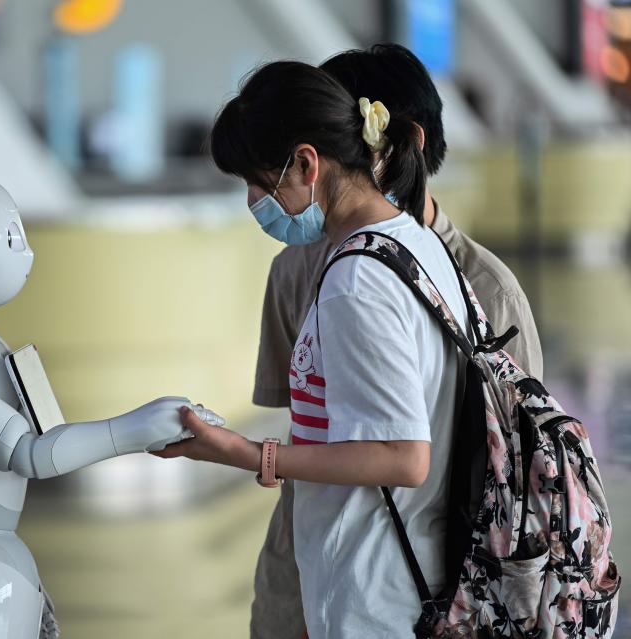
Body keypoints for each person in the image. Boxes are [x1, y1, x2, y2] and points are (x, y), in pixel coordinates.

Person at [154, 57, 514, 637]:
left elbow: (403, 457)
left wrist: (251, 454)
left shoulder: (358, 278)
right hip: (410, 579)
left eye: (256, 180)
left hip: (378, 598)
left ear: (305, 162)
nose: (251, 201)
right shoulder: (414, 245)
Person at [246, 45, 544, 639]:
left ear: (396, 140)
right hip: (309, 574)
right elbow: (313, 432)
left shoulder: (486, 290)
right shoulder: (297, 271)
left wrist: (248, 455)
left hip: (423, 590)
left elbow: (510, 468)